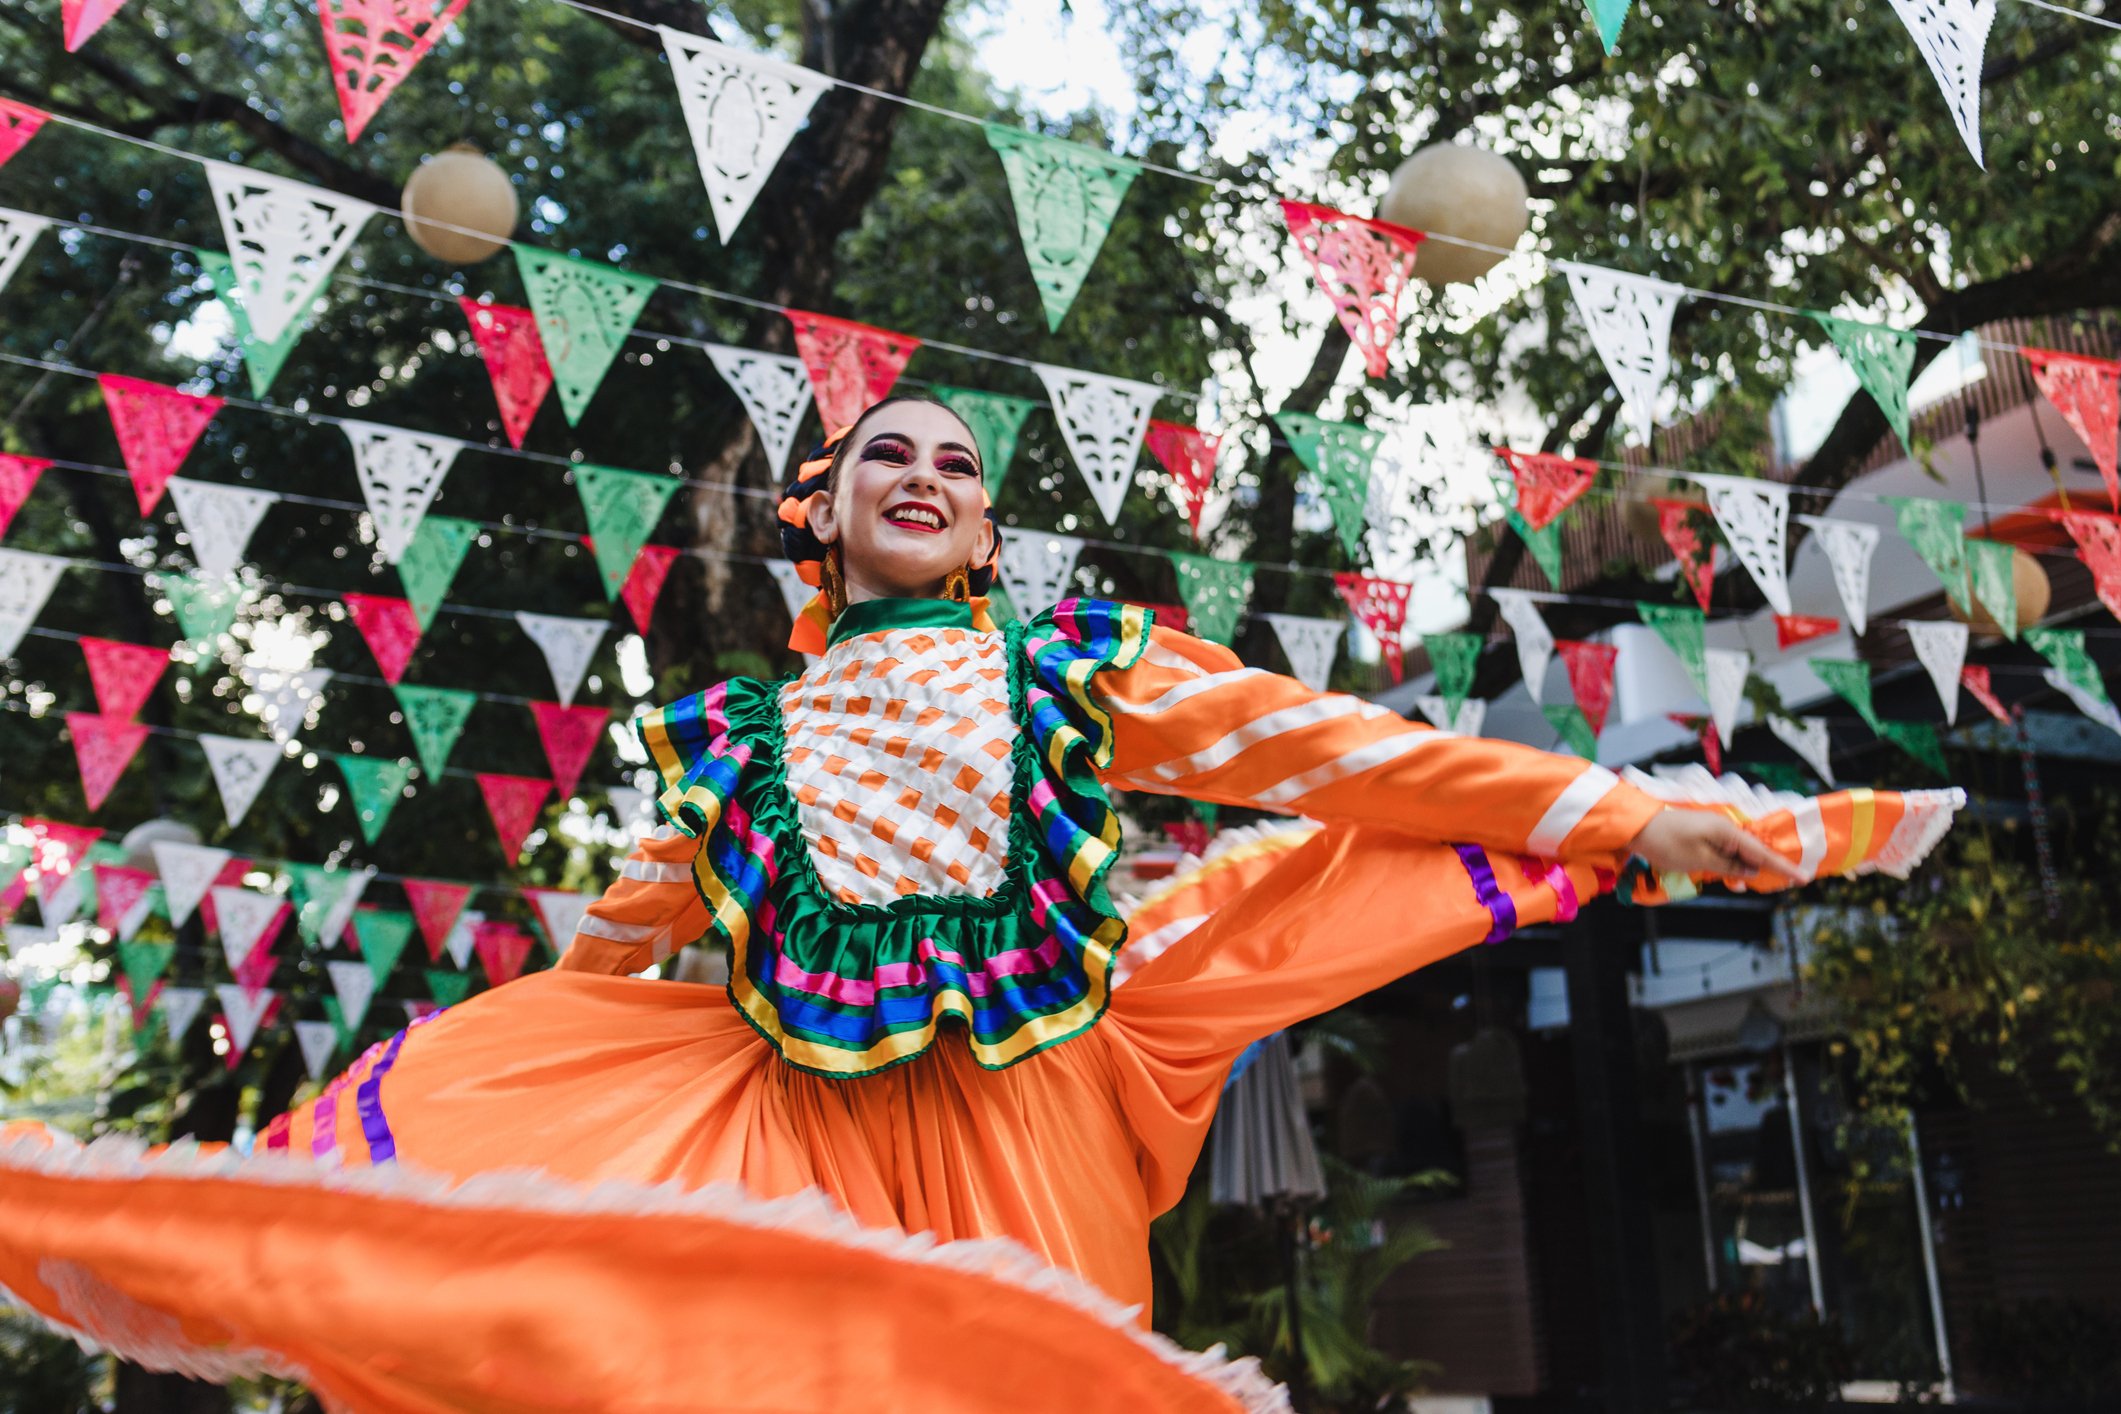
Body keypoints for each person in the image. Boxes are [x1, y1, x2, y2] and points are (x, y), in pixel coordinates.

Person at [0, 397, 1962, 1413]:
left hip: (1035, 1133)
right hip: (802, 1150)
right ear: (824, 517)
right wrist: (505, 1112)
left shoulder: (1079, 663)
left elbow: (1358, 758)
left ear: (990, 527)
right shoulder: (727, 739)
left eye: (954, 461)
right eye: (884, 455)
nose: (922, 471)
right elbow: (620, 941)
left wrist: (1613, 804)